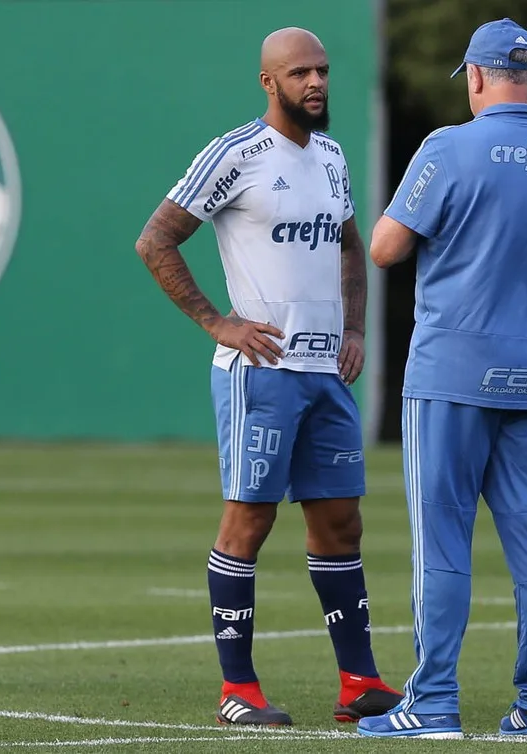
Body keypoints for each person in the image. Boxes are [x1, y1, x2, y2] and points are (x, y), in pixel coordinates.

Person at [133, 26, 402, 728]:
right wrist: (216, 322)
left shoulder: (335, 157)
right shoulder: (235, 154)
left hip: (325, 374)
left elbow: (349, 246)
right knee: (249, 520)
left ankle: (359, 683)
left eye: (322, 70)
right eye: (299, 73)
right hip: (262, 374)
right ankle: (238, 690)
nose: (316, 83)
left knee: (341, 521)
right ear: (268, 82)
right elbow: (155, 239)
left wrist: (354, 329)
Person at [355, 18, 527, 740]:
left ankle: (433, 705)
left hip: (454, 369)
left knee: (444, 539)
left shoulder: (448, 147)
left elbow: (385, 247)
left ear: (477, 77)